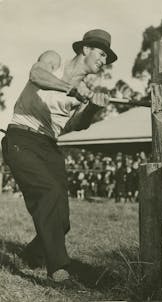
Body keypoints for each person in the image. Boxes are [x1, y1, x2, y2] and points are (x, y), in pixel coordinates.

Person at [1, 29, 117, 286]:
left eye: (107, 57)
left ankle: (31, 255)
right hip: (22, 137)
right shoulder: (54, 61)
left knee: (61, 220)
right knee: (50, 193)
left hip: (49, 145)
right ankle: (58, 269)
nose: (104, 60)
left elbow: (75, 125)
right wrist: (70, 88)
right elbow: (36, 75)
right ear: (85, 49)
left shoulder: (87, 89)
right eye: (101, 53)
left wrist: (93, 109)